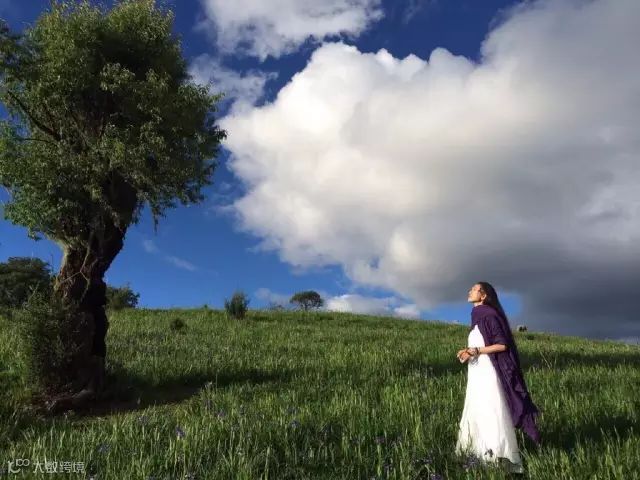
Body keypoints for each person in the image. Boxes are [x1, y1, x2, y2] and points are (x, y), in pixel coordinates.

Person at [455, 282, 542, 475]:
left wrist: (475, 351)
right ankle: (477, 455)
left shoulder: (489, 314)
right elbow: (480, 345)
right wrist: (467, 352)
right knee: (478, 409)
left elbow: (502, 345)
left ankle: (498, 458)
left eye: (474, 289)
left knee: (490, 410)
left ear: (484, 295)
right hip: (477, 372)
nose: (470, 291)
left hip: (488, 372)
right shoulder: (477, 316)